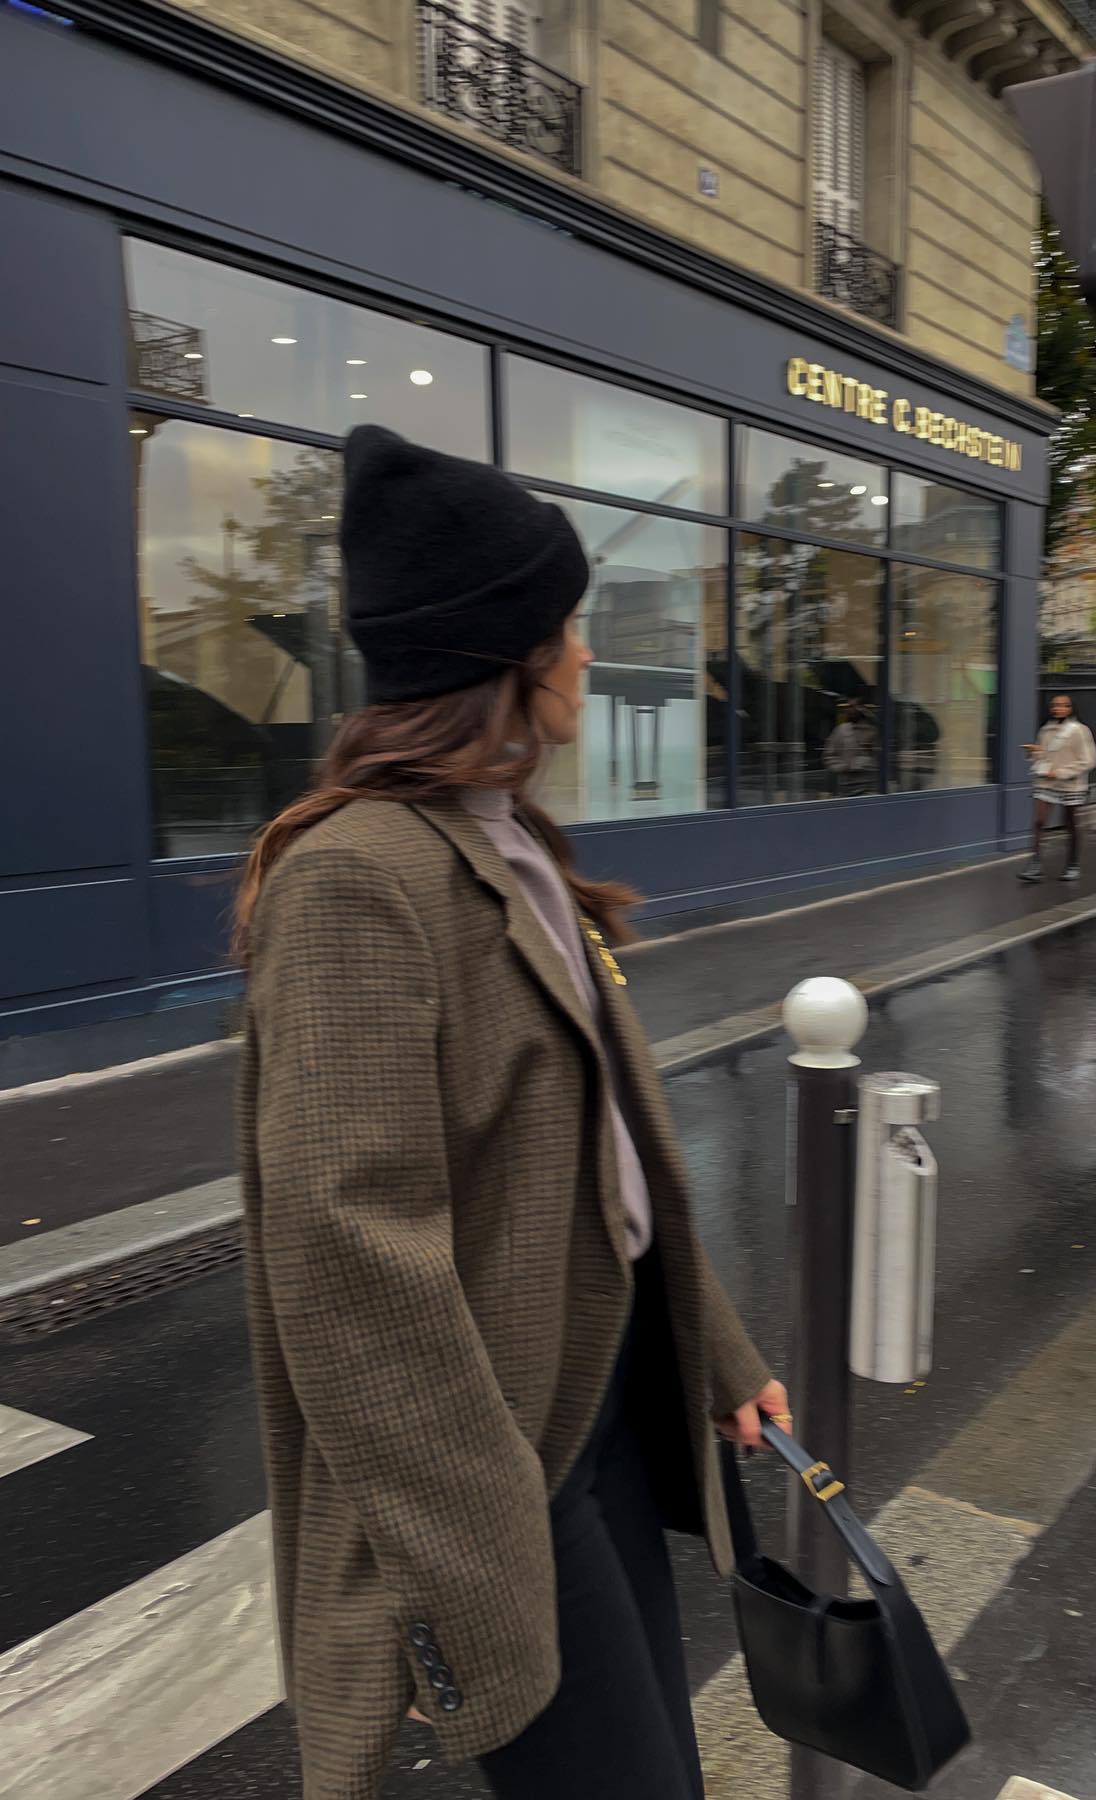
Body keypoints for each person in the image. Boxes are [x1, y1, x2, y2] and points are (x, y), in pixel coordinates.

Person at [233, 425, 788, 1800]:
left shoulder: (508, 840)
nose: (590, 656)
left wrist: (716, 1355)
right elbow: (351, 1259)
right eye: (570, 628)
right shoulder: (358, 878)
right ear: (509, 656)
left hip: (586, 1406)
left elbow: (612, 1155)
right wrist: (478, 1552)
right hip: (499, 1469)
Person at [1019, 693, 1096, 883]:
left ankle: (1072, 864)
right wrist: (1034, 753)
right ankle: (1035, 864)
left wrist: (1061, 772)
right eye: (1055, 705)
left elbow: (1089, 760)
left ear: (1070, 708)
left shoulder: (1080, 730)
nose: (1058, 708)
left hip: (1070, 785)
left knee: (1071, 824)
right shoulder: (1045, 730)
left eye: (1063, 705)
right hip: (1046, 782)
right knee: (1039, 821)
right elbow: (1045, 758)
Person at [823, 698, 877, 797]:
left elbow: (880, 758)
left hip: (869, 788)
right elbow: (829, 755)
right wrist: (843, 767)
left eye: (853, 706)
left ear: (862, 709)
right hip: (844, 788)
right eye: (848, 707)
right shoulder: (841, 731)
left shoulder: (872, 731)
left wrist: (864, 762)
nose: (849, 710)